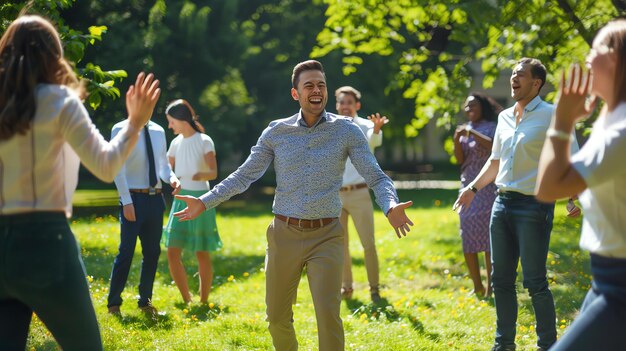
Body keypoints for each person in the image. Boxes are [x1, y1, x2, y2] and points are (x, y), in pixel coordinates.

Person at [173, 60, 413, 351]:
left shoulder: (347, 131)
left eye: (321, 85)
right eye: (309, 85)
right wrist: (205, 201)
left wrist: (390, 205)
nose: (317, 90)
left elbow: (375, 174)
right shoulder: (276, 132)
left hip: (327, 236)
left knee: (328, 316)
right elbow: (245, 175)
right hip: (284, 235)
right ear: (295, 94)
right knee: (276, 318)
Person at [0, 14, 160, 351]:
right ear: (53, 55)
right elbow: (105, 165)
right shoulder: (60, 101)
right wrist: (134, 123)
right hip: (45, 238)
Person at [453, 58, 579, 351]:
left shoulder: (553, 115)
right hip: (502, 204)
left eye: (520, 74)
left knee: (535, 281)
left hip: (535, 206)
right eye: (512, 74)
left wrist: (573, 197)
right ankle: (504, 344)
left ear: (537, 83)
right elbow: (495, 162)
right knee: (501, 280)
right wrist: (472, 188)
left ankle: (547, 345)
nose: (513, 78)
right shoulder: (505, 117)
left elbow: (571, 158)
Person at [535, 19, 626, 351]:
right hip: (605, 279)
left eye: (598, 47)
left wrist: (561, 120)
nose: (588, 56)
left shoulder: (621, 131)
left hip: (619, 287)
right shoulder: (611, 119)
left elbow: (548, 188)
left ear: (617, 58)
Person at [107, 104, 180, 317]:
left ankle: (145, 301)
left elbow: (163, 166)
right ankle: (114, 304)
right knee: (126, 252)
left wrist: (173, 179)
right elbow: (116, 167)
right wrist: (126, 201)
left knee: (152, 252)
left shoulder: (158, 131)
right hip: (133, 199)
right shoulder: (120, 129)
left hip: (155, 199)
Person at [163, 99, 223, 305]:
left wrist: (198, 175)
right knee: (172, 251)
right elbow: (167, 169)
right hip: (180, 200)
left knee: (202, 252)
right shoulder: (175, 143)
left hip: (200, 200)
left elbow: (213, 172)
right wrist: (174, 178)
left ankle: (204, 300)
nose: (170, 126)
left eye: (171, 122)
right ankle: (187, 299)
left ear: (181, 119)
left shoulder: (205, 140)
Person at [334, 86, 388, 302]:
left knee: (368, 243)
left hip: (359, 193)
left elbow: (374, 142)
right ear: (337, 105)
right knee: (340, 244)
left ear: (357, 105)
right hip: (336, 196)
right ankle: (346, 287)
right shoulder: (331, 127)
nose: (345, 106)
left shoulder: (366, 126)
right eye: (341, 102)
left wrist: (375, 130)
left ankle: (374, 288)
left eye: (349, 102)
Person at [453, 92, 501, 298]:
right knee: (468, 237)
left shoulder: (492, 127)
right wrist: (457, 139)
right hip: (467, 186)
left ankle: (491, 286)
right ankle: (477, 286)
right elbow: (459, 160)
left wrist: (472, 134)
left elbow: (494, 148)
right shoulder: (463, 130)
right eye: (466, 106)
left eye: (473, 105)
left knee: (489, 238)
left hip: (488, 187)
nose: (469, 109)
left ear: (483, 107)